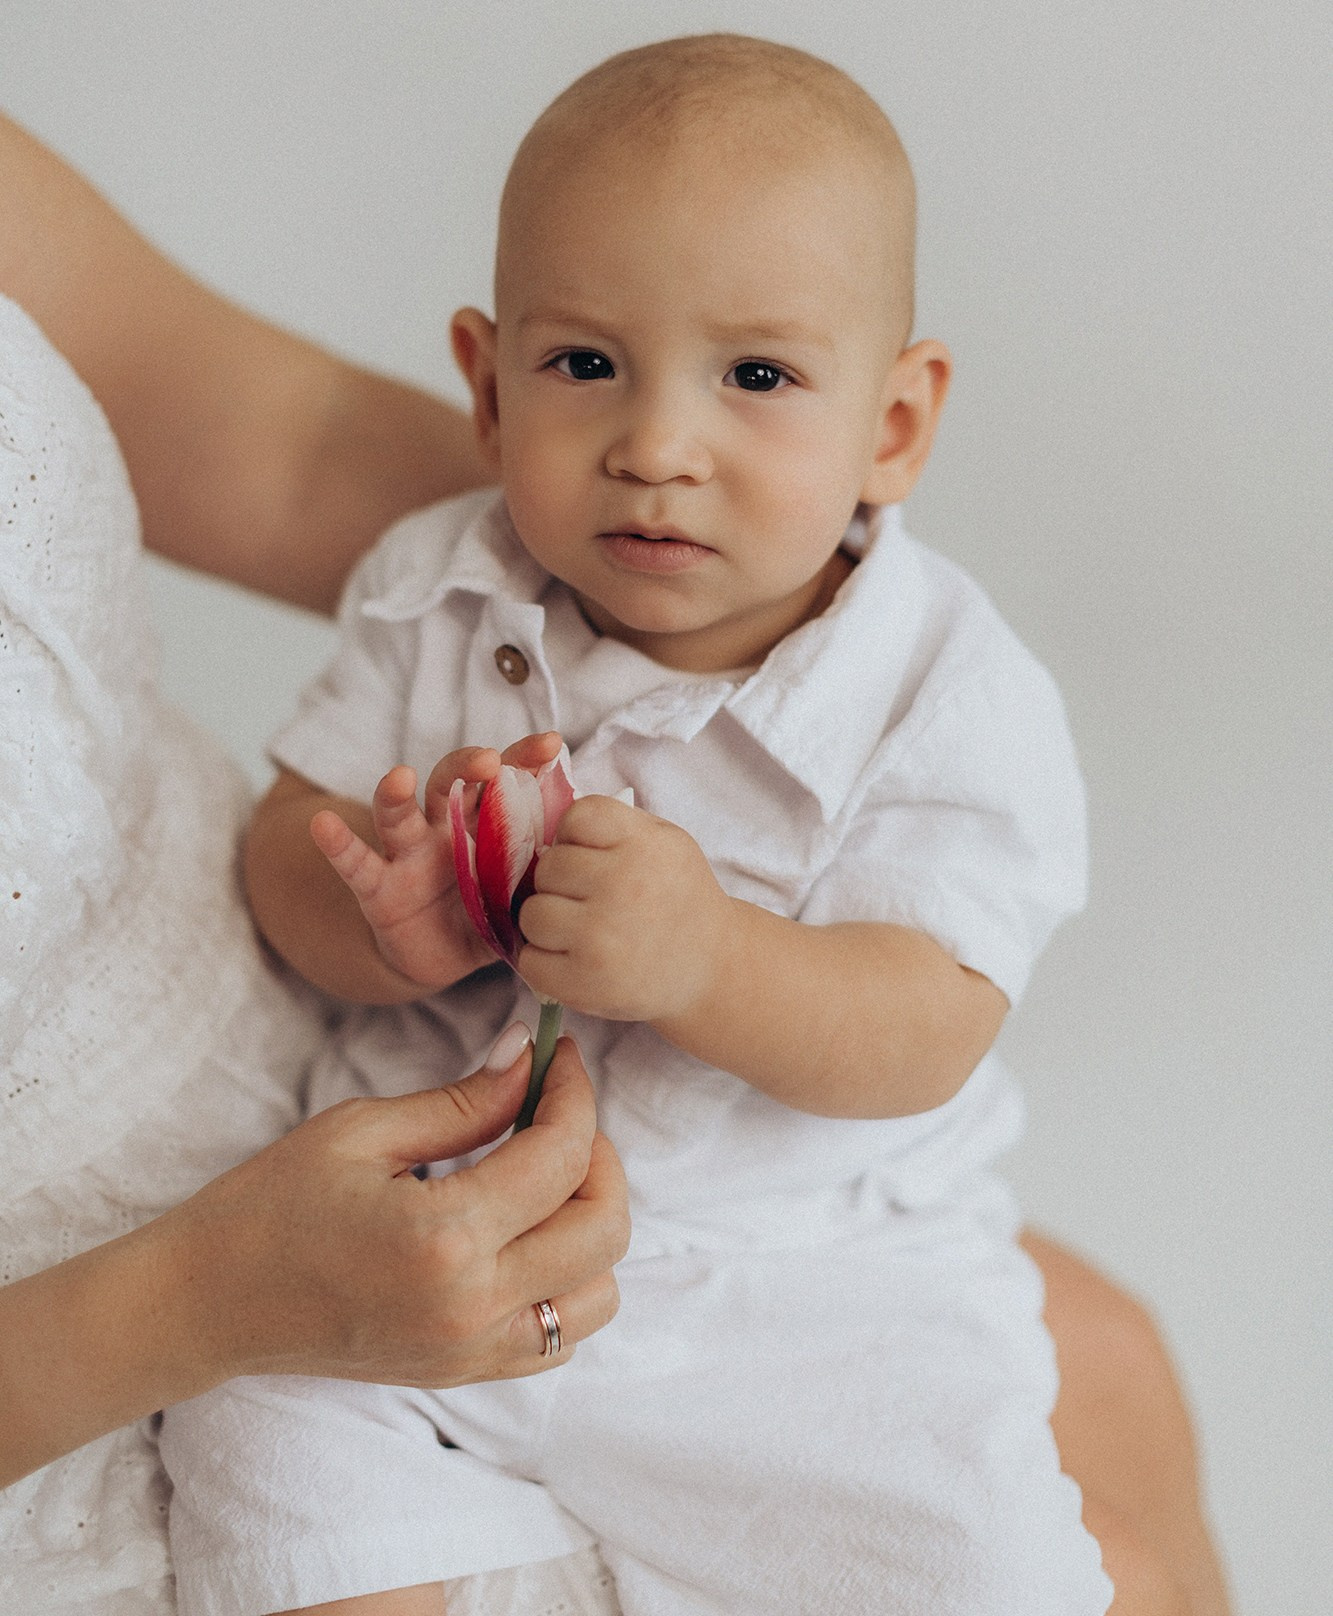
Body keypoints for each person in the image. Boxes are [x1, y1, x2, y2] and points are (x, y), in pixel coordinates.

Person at [0, 108, 1230, 1616]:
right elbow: (291, 842)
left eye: (756, 377)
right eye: (584, 364)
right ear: (485, 386)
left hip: (799, 1298)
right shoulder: (439, 587)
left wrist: (712, 959)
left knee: (999, 1567)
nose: (655, 448)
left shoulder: (943, 688)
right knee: (273, 1466)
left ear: (896, 424)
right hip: (385, 1251)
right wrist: (378, 914)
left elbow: (932, 1024)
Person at [0, 124, 630, 1616]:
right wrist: (207, 1300)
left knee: (1102, 1362)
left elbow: (299, 456)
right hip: (96, 1365)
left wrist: (790, 629)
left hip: (333, 1051)